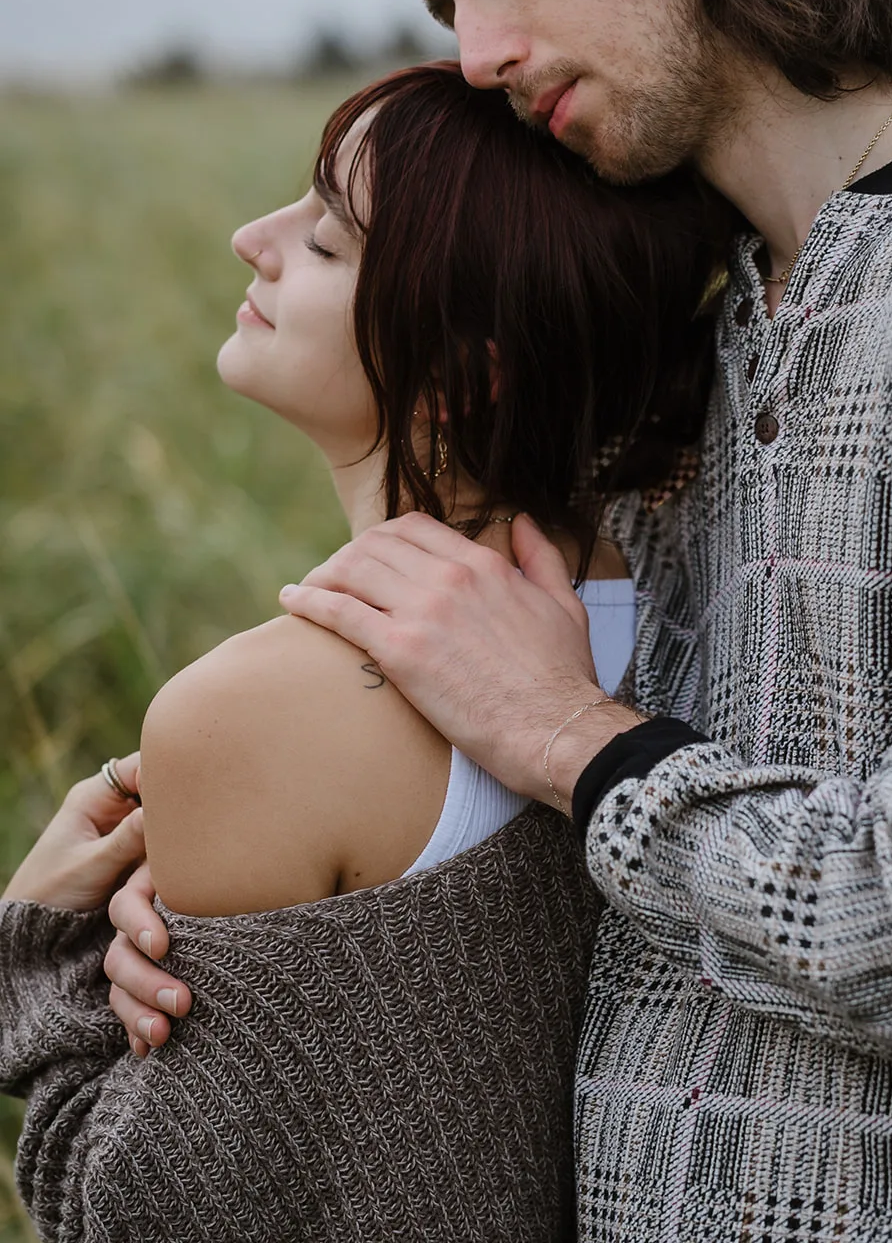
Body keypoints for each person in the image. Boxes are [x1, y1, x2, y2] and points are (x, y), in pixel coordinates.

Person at [106, 0, 892, 1240]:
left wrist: (573, 736)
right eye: (445, 3)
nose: (478, 51)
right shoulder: (715, 323)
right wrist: (221, 918)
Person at [0, 60, 725, 1242]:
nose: (252, 239)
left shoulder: (258, 711)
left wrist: (35, 962)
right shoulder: (680, 611)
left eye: (329, 244)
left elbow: (146, 1217)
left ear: (466, 371)